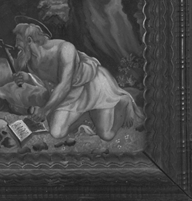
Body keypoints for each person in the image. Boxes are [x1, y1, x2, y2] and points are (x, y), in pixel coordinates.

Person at [8, 22, 144, 141]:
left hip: (92, 86)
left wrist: (45, 110)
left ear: (29, 40)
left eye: (18, 40)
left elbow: (64, 84)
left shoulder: (65, 48)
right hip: (71, 95)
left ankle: (123, 102)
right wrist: (28, 77)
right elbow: (49, 83)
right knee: (57, 133)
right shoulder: (30, 60)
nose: (15, 45)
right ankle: (87, 116)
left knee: (106, 135)